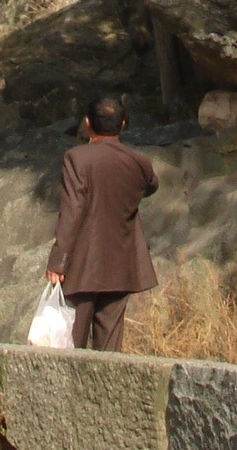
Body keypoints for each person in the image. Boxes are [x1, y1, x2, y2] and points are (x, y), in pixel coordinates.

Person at [45, 95, 158, 351]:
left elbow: (73, 210)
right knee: (109, 350)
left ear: (87, 123)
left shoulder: (77, 158)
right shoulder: (139, 162)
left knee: (71, 343)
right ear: (123, 124)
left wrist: (58, 260)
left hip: (81, 264)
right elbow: (151, 185)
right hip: (121, 263)